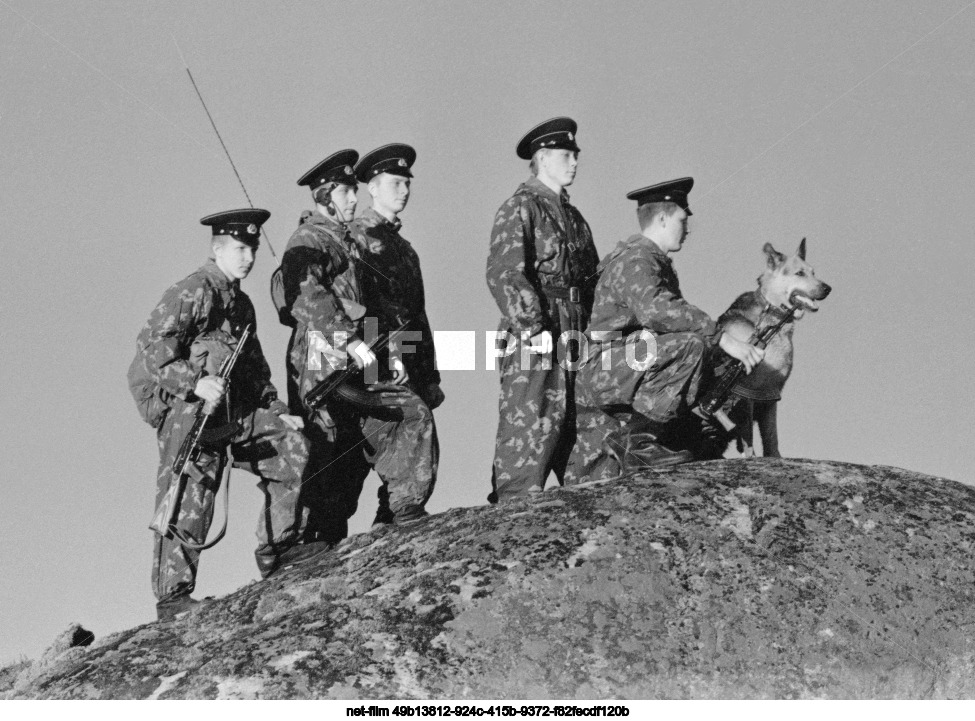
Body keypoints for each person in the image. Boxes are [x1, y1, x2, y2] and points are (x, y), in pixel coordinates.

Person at [128, 209, 330, 621]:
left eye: (252, 248)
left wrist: (277, 409)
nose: (249, 257)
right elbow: (150, 350)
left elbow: (256, 371)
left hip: (236, 414)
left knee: (290, 445)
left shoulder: (242, 306)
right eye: (240, 248)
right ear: (218, 248)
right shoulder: (193, 291)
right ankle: (173, 596)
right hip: (192, 416)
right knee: (190, 493)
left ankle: (279, 549)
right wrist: (193, 382)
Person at [579, 178, 764, 470]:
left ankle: (685, 437)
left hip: (626, 364)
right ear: (663, 218)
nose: (687, 228)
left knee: (712, 358)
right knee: (691, 346)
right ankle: (638, 444)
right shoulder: (636, 260)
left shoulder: (655, 262)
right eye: (682, 219)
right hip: (605, 366)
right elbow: (657, 309)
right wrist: (720, 336)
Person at [485, 117, 610, 503]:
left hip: (576, 327)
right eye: (566, 154)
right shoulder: (520, 207)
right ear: (542, 158)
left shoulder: (574, 219)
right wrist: (531, 324)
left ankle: (587, 495)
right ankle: (514, 504)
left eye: (575, 154)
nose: (574, 161)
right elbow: (504, 271)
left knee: (581, 416)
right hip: (538, 327)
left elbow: (592, 281)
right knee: (531, 417)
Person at [280, 150, 380, 546]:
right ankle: (306, 540)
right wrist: (349, 339)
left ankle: (329, 537)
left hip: (351, 357)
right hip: (321, 359)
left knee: (350, 451)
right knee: (325, 443)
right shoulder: (309, 239)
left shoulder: (348, 241)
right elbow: (305, 296)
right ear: (325, 197)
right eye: (346, 191)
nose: (354, 198)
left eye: (354, 190)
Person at [346, 143, 440, 527]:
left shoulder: (404, 249)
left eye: (407, 183)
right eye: (395, 183)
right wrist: (384, 355)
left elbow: (417, 316)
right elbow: (357, 307)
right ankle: (399, 508)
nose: (404, 190)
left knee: (408, 430)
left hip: (403, 356)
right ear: (373, 187)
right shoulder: (355, 237)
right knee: (379, 437)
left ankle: (393, 512)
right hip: (369, 357)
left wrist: (429, 374)